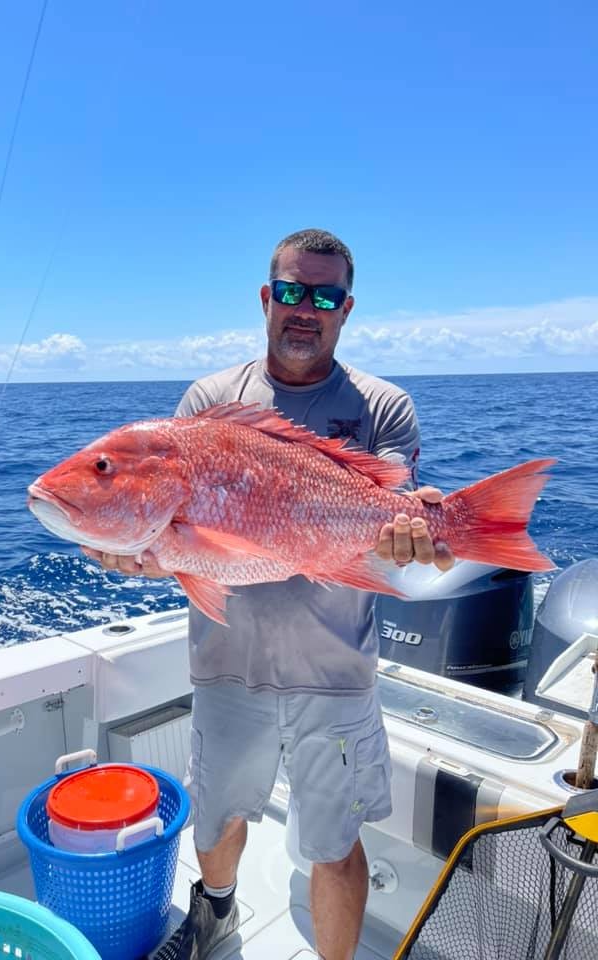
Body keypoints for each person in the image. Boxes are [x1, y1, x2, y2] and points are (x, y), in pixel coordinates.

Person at [83, 228, 454, 960]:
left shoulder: (383, 405)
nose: (305, 308)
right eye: (291, 291)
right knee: (217, 820)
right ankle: (214, 913)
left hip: (335, 671)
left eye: (324, 295)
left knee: (333, 842)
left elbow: (392, 497)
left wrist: (419, 529)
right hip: (227, 664)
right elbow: (178, 525)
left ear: (347, 309)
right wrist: (144, 551)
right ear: (266, 298)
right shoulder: (211, 400)